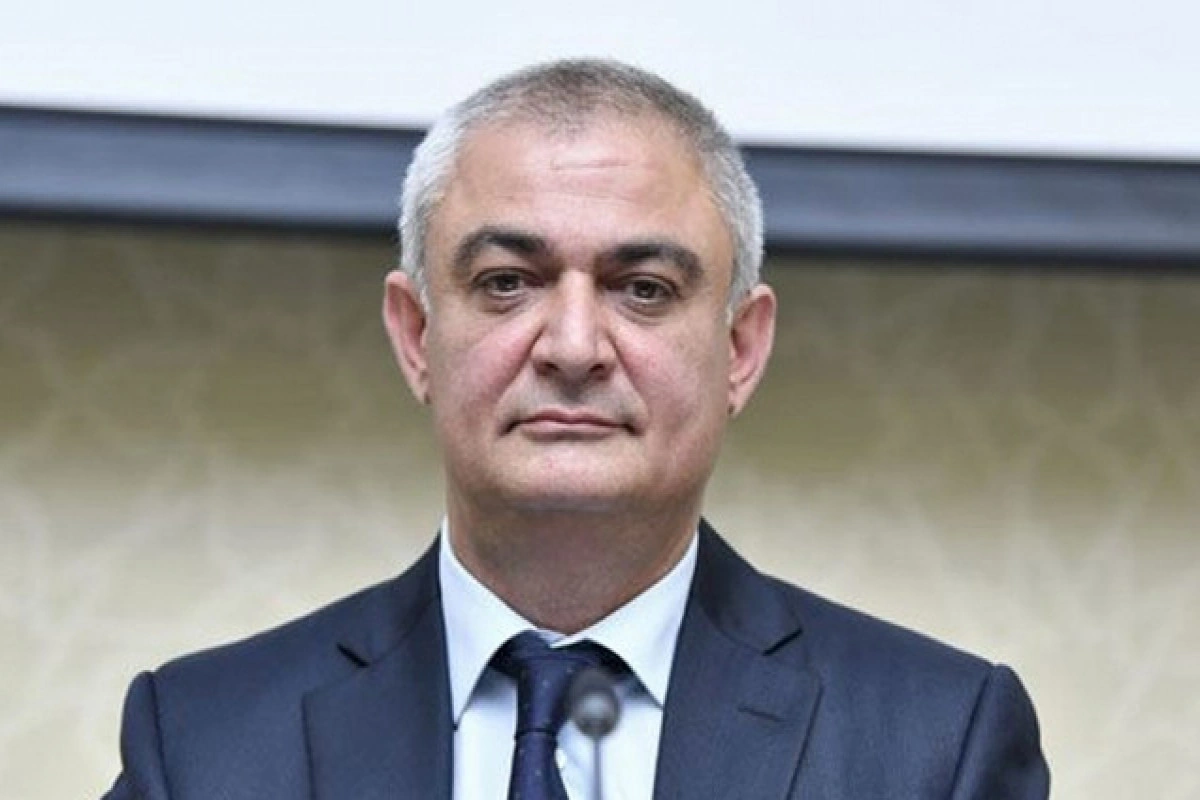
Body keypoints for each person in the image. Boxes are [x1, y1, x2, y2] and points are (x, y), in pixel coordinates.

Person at [104, 59, 1049, 799]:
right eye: (506, 283)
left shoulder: (938, 746)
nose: (572, 346)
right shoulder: (199, 742)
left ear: (740, 349)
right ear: (417, 335)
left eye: (645, 290)